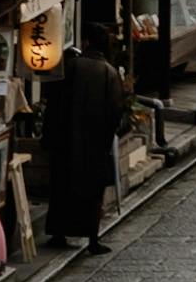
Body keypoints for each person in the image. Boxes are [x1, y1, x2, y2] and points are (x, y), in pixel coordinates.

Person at [40, 38, 130, 252]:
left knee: (61, 187)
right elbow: (116, 110)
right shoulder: (108, 72)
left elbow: (52, 102)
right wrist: (109, 134)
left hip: (64, 139)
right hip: (95, 143)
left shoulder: (70, 66)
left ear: (87, 44)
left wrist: (49, 135)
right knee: (92, 192)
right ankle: (92, 239)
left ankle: (59, 234)